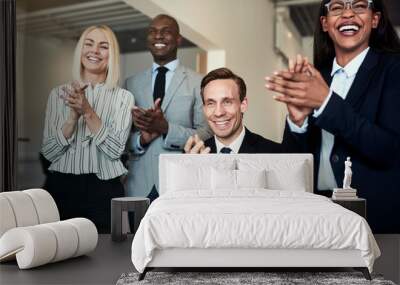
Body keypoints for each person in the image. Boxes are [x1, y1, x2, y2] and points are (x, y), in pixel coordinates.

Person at [266, 0, 400, 233]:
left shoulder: (393, 71)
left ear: (375, 19)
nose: (348, 13)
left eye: (359, 6)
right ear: (325, 23)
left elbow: (389, 149)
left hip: (375, 220)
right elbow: (293, 164)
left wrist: (326, 103)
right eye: (337, 7)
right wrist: (297, 123)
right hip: (319, 216)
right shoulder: (318, 79)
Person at [42, 25, 134, 233]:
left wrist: (87, 111)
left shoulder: (123, 98)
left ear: (112, 56)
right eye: (89, 44)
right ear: (80, 50)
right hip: (61, 187)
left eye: (103, 46)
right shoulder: (57, 94)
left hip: (104, 190)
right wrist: (72, 120)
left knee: (106, 256)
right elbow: (48, 152)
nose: (94, 51)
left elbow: (114, 150)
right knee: (59, 252)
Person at [125, 14, 211, 201]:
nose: (158, 36)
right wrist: (142, 140)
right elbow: (121, 140)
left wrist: (165, 128)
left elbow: (206, 133)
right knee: (133, 231)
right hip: (137, 185)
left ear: (178, 39)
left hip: (181, 183)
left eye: (166, 31)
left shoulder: (199, 82)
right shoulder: (131, 83)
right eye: (152, 31)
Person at [185, 68, 298, 154]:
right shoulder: (193, 156)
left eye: (227, 102)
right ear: (204, 109)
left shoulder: (273, 152)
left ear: (243, 105)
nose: (218, 113)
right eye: (211, 103)